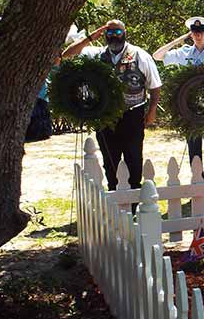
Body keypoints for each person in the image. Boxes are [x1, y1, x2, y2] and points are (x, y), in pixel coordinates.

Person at [63, 20, 161, 191]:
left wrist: (152, 110)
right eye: (110, 33)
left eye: (117, 32)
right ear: (104, 35)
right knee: (110, 159)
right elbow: (67, 55)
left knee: (133, 157)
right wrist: (89, 38)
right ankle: (114, 194)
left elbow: (155, 85)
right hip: (104, 116)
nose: (113, 36)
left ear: (124, 33)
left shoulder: (139, 55)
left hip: (132, 114)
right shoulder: (96, 54)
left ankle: (134, 199)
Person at [153, 17, 204, 183]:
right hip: (190, 107)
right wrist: (180, 40)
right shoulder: (183, 52)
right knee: (194, 147)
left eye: (201, 32)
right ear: (190, 34)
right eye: (194, 32)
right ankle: (197, 181)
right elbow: (157, 56)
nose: (198, 35)